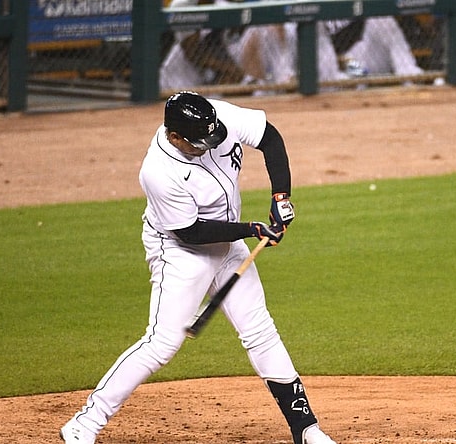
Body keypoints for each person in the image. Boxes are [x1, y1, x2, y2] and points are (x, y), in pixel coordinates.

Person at [59, 91, 337, 444]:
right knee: (162, 343)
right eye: (198, 144)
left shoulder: (216, 116)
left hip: (228, 241)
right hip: (180, 251)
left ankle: (306, 429)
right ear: (175, 136)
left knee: (260, 331)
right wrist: (251, 230)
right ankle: (85, 423)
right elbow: (190, 232)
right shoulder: (158, 172)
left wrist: (280, 196)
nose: (208, 147)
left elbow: (269, 137)